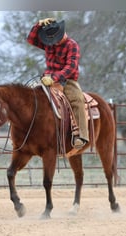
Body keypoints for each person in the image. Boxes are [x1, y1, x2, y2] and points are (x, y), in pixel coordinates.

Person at [27, 17, 89, 149]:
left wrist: (54, 77)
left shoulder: (72, 45)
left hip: (67, 80)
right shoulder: (48, 42)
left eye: (55, 40)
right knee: (27, 95)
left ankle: (81, 135)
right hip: (46, 79)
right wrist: (38, 25)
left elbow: (71, 67)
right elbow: (31, 39)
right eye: (50, 40)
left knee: (77, 100)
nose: (53, 43)